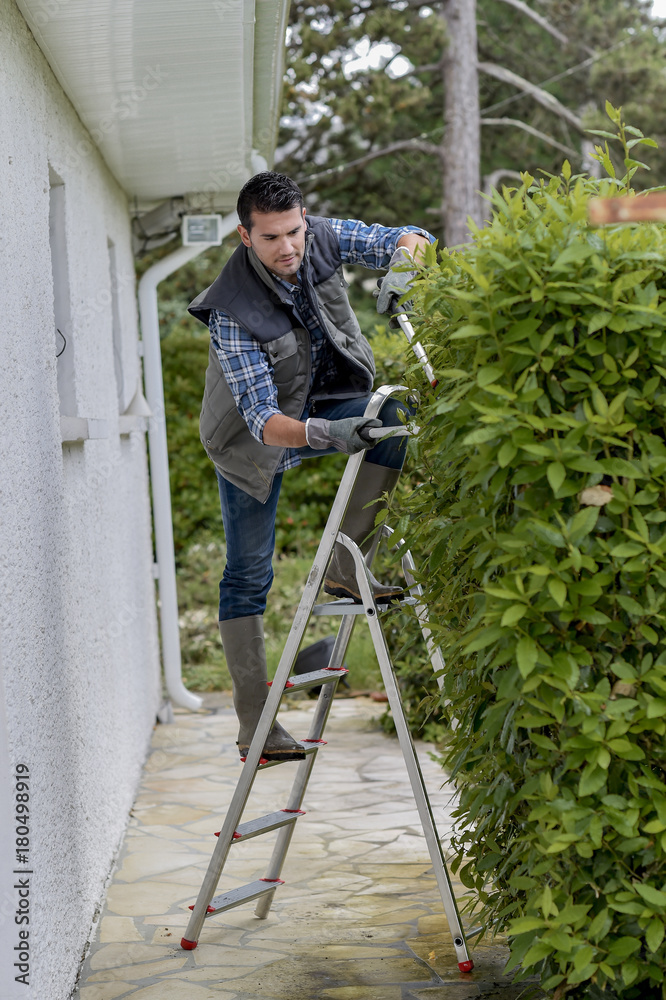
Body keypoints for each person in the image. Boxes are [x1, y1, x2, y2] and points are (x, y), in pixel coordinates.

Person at [188, 171, 433, 762]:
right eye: (271, 238)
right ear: (246, 237)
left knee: (393, 418)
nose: (289, 247)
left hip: (323, 400)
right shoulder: (231, 310)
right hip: (251, 438)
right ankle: (256, 727)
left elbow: (413, 233)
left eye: (294, 232)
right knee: (248, 572)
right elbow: (265, 422)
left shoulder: (320, 236)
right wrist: (333, 433)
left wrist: (405, 265)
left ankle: (344, 567)